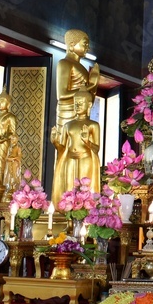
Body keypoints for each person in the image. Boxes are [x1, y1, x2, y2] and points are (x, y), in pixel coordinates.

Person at [52, 29, 100, 203]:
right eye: (84, 43)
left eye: (88, 43)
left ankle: (82, 200)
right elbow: (62, 94)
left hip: (82, 115)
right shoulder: (65, 63)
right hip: (67, 113)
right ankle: (63, 201)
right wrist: (90, 86)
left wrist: (93, 86)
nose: (87, 47)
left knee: (84, 152)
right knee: (64, 152)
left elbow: (88, 99)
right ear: (72, 44)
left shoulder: (81, 67)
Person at [51, 90, 101, 202]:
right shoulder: (68, 125)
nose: (77, 105)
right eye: (75, 102)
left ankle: (85, 213)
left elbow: (96, 149)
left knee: (85, 189)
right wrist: (55, 142)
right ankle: (67, 212)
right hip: (69, 158)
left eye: (81, 102)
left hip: (85, 158)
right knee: (68, 188)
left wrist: (87, 141)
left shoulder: (93, 125)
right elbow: (62, 149)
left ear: (89, 105)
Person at [1, 133, 23, 202]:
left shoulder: (18, 148)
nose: (12, 140)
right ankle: (9, 188)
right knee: (9, 176)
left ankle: (14, 189)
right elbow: (6, 157)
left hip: (15, 164)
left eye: (13, 139)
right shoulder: (10, 148)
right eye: (12, 139)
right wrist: (8, 159)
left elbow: (19, 157)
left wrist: (13, 158)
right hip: (9, 163)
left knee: (14, 176)